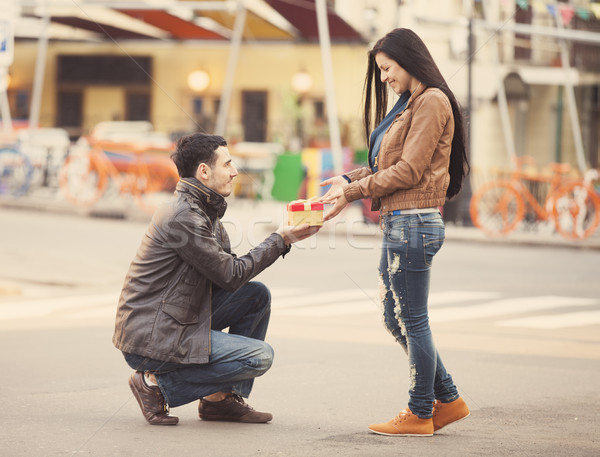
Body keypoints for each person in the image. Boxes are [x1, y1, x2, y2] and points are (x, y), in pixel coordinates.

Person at [320, 28, 470, 437]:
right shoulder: (409, 105)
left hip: (415, 222)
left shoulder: (432, 101)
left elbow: (408, 171)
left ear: (408, 60)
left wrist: (352, 193)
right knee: (395, 315)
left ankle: (421, 411)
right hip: (401, 221)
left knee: (413, 319)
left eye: (387, 68)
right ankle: (449, 399)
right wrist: (347, 179)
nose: (384, 77)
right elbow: (388, 165)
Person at [113, 133, 319, 426]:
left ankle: (219, 400)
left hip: (176, 319)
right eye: (228, 164)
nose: (235, 171)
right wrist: (280, 238)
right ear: (204, 172)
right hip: (151, 337)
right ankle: (155, 386)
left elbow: (228, 277)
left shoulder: (204, 210)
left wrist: (283, 239)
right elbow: (230, 275)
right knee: (259, 357)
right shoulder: (183, 215)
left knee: (255, 296)